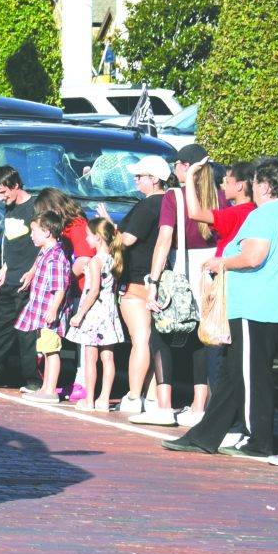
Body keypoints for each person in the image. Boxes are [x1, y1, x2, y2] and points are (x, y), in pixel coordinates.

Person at [164, 156, 278, 461]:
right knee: (234, 374)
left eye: (258, 181)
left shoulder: (263, 216)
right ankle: (205, 436)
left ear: (266, 186)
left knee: (250, 374)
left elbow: (253, 256)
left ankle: (257, 440)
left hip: (254, 307)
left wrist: (223, 261)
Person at [140, 143, 219, 426]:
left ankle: (164, 405)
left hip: (181, 274)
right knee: (203, 339)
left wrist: (153, 281)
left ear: (185, 166)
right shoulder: (220, 196)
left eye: (176, 164)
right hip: (212, 276)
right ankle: (199, 406)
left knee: (160, 336)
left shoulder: (175, 197)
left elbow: (164, 241)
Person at [114, 157, 170, 416]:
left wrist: (110, 233)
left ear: (154, 179)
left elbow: (128, 238)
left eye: (140, 176)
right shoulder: (170, 204)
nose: (135, 180)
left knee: (140, 340)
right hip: (159, 279)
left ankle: (135, 395)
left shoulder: (147, 206)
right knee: (153, 341)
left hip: (137, 280)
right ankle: (150, 395)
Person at [0, 167, 39, 391]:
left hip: (28, 280)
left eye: (4, 192)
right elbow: (11, 246)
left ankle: (33, 380)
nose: (1, 197)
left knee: (27, 334)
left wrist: (33, 271)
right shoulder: (10, 210)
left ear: (15, 186)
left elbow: (45, 245)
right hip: (10, 277)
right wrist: (3, 272)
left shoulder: (35, 208)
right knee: (0, 329)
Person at [68, 217, 125, 411]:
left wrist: (79, 314)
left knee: (90, 358)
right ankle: (103, 399)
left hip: (94, 313)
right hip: (109, 311)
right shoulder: (114, 259)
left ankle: (90, 399)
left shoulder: (96, 261)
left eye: (89, 236)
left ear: (99, 238)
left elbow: (93, 291)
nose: (86, 240)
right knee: (108, 357)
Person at [17, 211, 72, 402]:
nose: (31, 235)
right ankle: (46, 387)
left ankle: (50, 390)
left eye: (34, 231)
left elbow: (60, 287)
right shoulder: (46, 253)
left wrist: (53, 309)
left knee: (51, 350)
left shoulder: (54, 257)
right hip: (43, 311)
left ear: (47, 232)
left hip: (49, 312)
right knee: (47, 350)